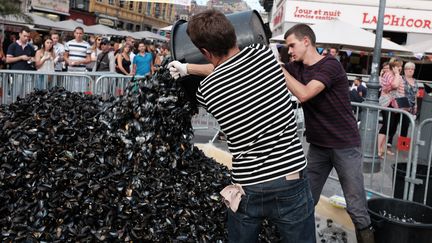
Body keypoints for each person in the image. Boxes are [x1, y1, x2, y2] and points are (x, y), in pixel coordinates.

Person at [168, 9, 315, 243]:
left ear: (205, 52)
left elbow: (221, 70)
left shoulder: (207, 91)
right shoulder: (264, 55)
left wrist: (187, 69)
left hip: (249, 185)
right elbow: (232, 66)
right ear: (234, 35)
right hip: (291, 177)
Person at [280, 23, 374, 243]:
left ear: (306, 41)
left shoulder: (331, 65)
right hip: (319, 147)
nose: (289, 51)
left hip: (345, 145)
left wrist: (280, 70)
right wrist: (189, 68)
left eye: (292, 45)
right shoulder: (297, 68)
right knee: (305, 200)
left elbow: (304, 94)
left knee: (356, 206)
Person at [377, 57, 404, 157]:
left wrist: (403, 106)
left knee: (391, 126)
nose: (400, 68)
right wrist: (397, 74)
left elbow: (401, 91)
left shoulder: (399, 76)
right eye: (399, 66)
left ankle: (383, 148)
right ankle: (378, 148)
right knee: (387, 124)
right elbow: (395, 85)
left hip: (395, 104)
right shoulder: (388, 74)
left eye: (401, 66)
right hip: (386, 103)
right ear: (394, 66)